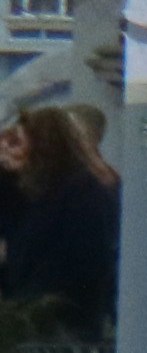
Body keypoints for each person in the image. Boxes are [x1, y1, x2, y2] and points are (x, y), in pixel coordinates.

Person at [2, 98, 120, 325]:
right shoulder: (46, 192)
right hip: (40, 317)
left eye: (19, 143)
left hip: (60, 322)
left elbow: (76, 261)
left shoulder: (79, 191)